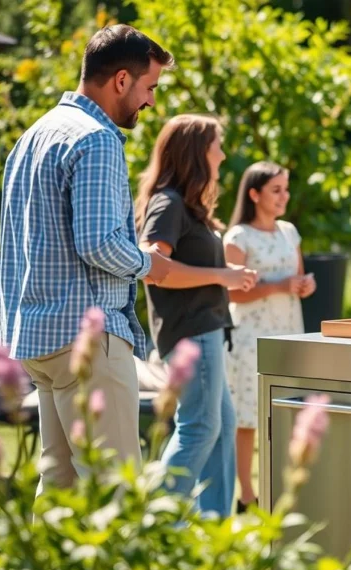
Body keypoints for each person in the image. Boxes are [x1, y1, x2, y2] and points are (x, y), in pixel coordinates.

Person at [0, 24, 175, 496]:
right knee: (115, 491)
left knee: (60, 485)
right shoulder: (96, 139)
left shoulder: (33, 136)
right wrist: (149, 263)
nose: (152, 101)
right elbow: (98, 243)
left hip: (38, 337)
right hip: (87, 338)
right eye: (150, 87)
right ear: (121, 80)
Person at [135, 114, 257, 517]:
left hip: (206, 333)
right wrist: (223, 276)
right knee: (200, 428)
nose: (222, 155)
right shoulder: (167, 202)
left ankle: (214, 533)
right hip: (190, 336)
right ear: (197, 153)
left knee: (219, 431)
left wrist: (225, 280)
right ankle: (158, 526)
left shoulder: (184, 203)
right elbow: (154, 269)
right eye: (216, 146)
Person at [223, 162, 315, 513]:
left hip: (289, 334)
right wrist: (278, 286)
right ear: (254, 194)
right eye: (276, 190)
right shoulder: (238, 238)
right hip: (251, 340)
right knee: (248, 418)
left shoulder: (289, 232)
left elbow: (299, 277)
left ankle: (282, 491)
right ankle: (246, 495)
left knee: (287, 414)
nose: (284, 197)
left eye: (285, 189)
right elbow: (229, 292)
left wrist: (307, 285)